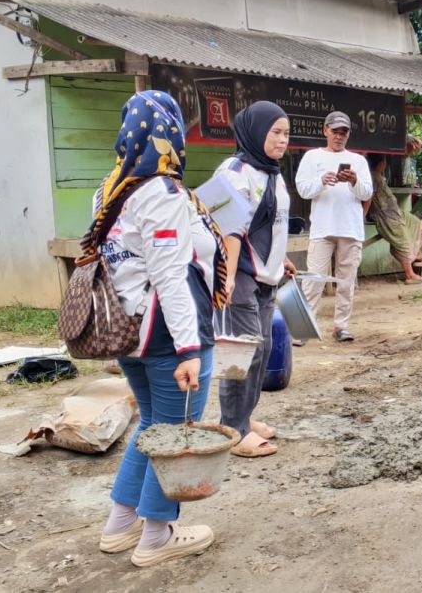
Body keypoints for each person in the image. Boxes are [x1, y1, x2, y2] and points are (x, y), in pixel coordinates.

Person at [95, 91, 227, 567]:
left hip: (128, 330)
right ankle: (157, 536)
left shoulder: (111, 187)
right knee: (172, 434)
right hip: (170, 335)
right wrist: (189, 349)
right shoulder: (161, 192)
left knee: (152, 425)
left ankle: (120, 524)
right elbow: (170, 274)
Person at [212, 101, 296, 458]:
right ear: (256, 131)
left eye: (286, 133)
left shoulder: (272, 172)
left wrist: (281, 258)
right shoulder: (232, 172)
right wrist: (228, 278)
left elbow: (272, 224)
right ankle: (234, 429)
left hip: (266, 277)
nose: (282, 140)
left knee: (260, 350)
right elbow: (227, 230)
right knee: (240, 352)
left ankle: (244, 417)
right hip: (240, 276)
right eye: (275, 132)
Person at [296, 111, 373, 342]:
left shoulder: (358, 161)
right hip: (322, 227)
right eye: (335, 131)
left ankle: (341, 326)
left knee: (346, 281)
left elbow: (367, 193)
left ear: (348, 135)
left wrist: (354, 180)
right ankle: (304, 328)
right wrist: (321, 181)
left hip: (350, 228)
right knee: (314, 280)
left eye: (343, 133)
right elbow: (303, 189)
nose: (339, 136)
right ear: (325, 131)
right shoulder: (312, 157)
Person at [363, 152, 422, 285]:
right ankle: (410, 275)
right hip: (386, 216)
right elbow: (369, 196)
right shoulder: (373, 177)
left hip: (396, 212)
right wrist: (363, 215)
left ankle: (418, 254)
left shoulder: (378, 176)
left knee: (416, 223)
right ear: (381, 164)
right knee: (403, 241)